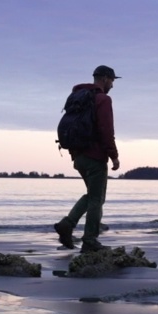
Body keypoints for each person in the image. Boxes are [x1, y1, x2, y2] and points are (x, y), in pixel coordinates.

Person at [54, 65, 121, 253]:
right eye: (112, 81)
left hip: (78, 156)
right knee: (97, 199)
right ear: (105, 79)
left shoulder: (79, 97)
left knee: (93, 195)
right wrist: (114, 156)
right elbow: (106, 130)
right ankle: (89, 240)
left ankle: (67, 225)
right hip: (95, 156)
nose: (113, 85)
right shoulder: (103, 99)